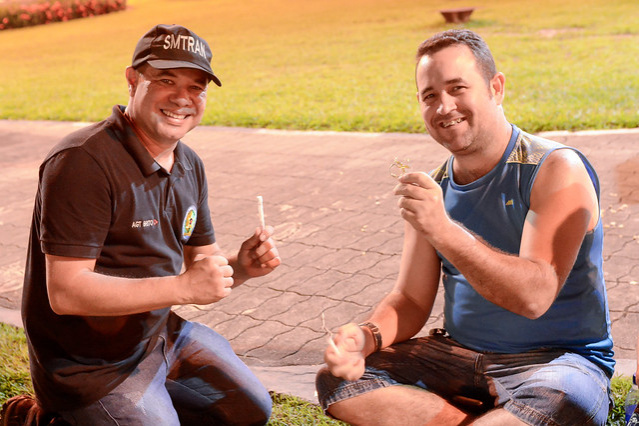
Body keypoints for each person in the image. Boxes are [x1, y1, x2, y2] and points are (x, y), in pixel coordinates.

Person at [316, 29, 614, 425]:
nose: (444, 107)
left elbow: (534, 297)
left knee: (558, 401)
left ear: (495, 88)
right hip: (457, 358)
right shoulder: (435, 188)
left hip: (557, 364)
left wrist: (443, 229)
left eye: (457, 88)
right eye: (430, 96)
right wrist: (367, 337)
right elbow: (410, 300)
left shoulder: (556, 168)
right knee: (338, 381)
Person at [20, 24, 281, 425]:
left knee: (250, 412)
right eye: (166, 80)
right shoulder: (82, 162)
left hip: (160, 334)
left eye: (196, 87)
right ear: (132, 80)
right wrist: (182, 287)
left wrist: (242, 267)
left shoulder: (190, 164)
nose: (182, 98)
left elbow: (203, 263)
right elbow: (66, 292)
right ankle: (45, 417)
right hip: (88, 366)